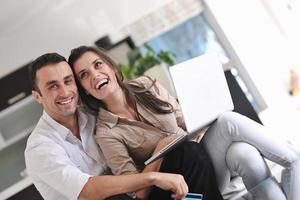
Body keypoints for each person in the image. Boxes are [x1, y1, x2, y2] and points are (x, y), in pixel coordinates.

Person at [68, 45, 300, 200]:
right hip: (189, 183)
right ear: (84, 90)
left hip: (205, 152)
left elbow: (184, 120)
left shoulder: (146, 85)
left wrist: (203, 111)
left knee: (245, 154)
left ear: (111, 66)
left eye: (98, 65)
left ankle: (292, 160)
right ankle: (292, 159)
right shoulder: (106, 133)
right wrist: (159, 152)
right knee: (230, 122)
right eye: (84, 75)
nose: (95, 74)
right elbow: (137, 191)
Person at [25, 53, 193, 200]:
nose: (64, 92)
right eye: (53, 86)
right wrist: (152, 177)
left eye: (68, 81)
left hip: (135, 194)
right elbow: (88, 191)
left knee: (188, 153)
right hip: (115, 197)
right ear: (37, 96)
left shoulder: (93, 113)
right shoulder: (39, 147)